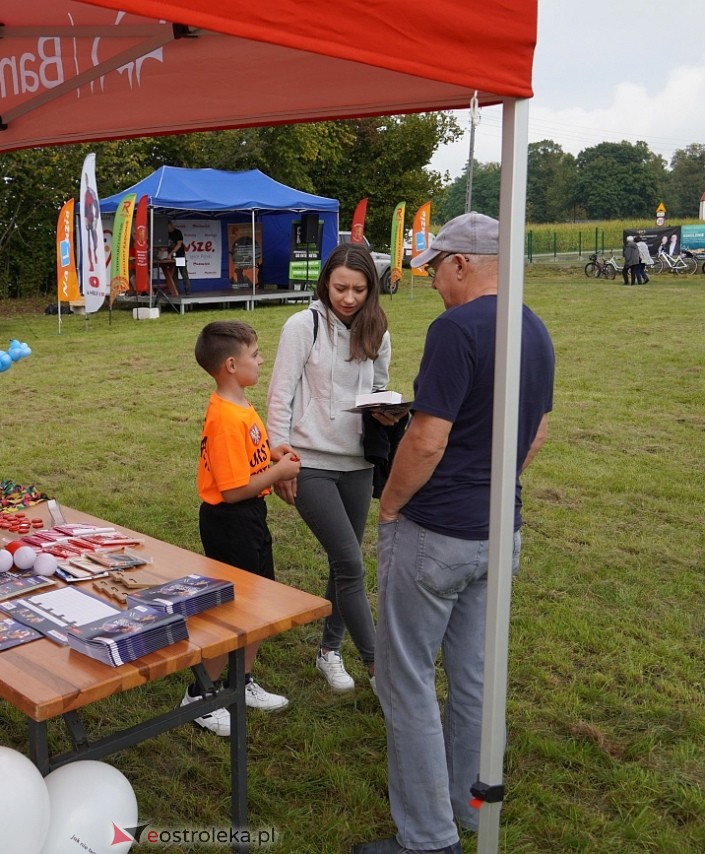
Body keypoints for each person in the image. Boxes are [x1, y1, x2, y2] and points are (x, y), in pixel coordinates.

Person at [355, 213, 554, 854]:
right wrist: (492, 484)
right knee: (473, 675)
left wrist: (389, 505)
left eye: (436, 267)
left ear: (463, 263)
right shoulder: (535, 326)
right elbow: (536, 433)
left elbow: (429, 437)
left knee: (404, 680)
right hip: (500, 531)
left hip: (435, 533)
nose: (434, 280)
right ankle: (473, 806)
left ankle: (428, 838)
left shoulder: (455, 328)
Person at [266, 243, 401, 695]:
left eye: (359, 289)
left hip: (358, 463)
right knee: (350, 561)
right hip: (310, 463)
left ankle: (329, 651)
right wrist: (279, 455)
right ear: (325, 283)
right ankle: (380, 670)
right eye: (339, 288)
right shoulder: (301, 326)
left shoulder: (378, 330)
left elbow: (378, 386)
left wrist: (387, 410)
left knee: (342, 564)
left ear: (372, 289)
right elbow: (280, 394)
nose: (348, 297)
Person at [184, 320, 302, 736]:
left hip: (251, 516)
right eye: (255, 354)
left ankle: (241, 682)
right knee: (230, 611)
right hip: (231, 521)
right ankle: (200, 695)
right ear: (232, 365)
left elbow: (251, 455)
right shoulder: (223, 418)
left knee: (259, 602)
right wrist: (279, 473)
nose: (261, 359)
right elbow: (232, 491)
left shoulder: (241, 406)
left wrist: (273, 455)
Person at [167, 220, 190, 295]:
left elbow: (179, 244)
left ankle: (187, 290)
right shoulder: (166, 234)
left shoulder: (178, 232)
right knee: (174, 274)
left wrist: (171, 253)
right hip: (172, 258)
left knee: (183, 273)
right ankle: (175, 291)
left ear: (171, 225)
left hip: (180, 256)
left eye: (168, 226)